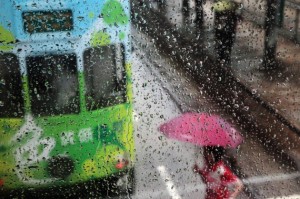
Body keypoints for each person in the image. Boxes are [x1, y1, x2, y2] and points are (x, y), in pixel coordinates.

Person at [213, 0, 241, 67]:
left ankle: (221, 55)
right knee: (228, 35)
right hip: (228, 9)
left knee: (220, 34)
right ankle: (225, 55)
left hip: (220, 8)